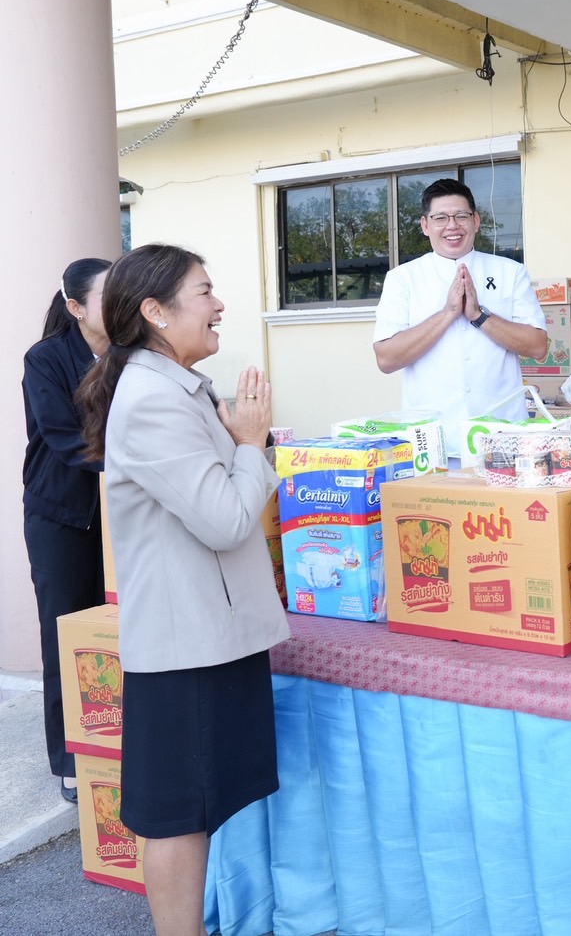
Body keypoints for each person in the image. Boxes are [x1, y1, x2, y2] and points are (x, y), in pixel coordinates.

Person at [77, 245, 290, 936]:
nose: (219, 303)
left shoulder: (175, 387)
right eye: (204, 292)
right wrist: (250, 445)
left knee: (198, 804)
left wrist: (242, 447)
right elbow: (227, 519)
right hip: (185, 645)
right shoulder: (151, 401)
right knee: (177, 813)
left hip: (209, 633)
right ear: (155, 311)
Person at [22, 256, 113, 803]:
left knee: (118, 634)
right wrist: (146, 464)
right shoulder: (47, 358)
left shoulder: (132, 354)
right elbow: (64, 437)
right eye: (108, 295)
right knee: (67, 637)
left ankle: (118, 740)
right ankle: (71, 759)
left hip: (121, 514)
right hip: (62, 516)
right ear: (76, 308)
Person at [372, 178, 548, 455]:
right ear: (425, 225)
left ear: (476, 221)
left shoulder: (510, 272)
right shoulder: (402, 278)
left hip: (502, 434)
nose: (452, 226)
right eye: (440, 217)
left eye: (461, 216)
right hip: (431, 440)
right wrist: (449, 313)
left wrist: (479, 315)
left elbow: (537, 347)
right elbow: (386, 359)